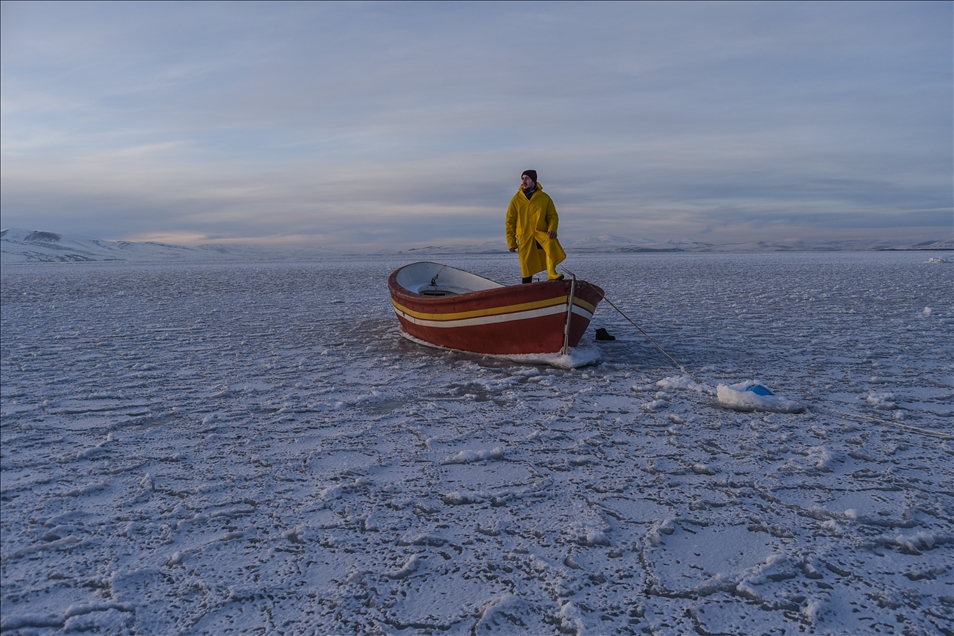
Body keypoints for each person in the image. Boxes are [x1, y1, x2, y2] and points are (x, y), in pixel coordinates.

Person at [505, 170, 567, 283]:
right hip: (525, 236)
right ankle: (526, 293)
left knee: (551, 243)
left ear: (533, 180)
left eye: (527, 178)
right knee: (527, 268)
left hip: (540, 233)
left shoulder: (544, 198)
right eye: (522, 178)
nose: (524, 181)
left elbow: (552, 216)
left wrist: (552, 228)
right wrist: (511, 242)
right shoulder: (516, 200)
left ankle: (552, 273)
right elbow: (510, 222)